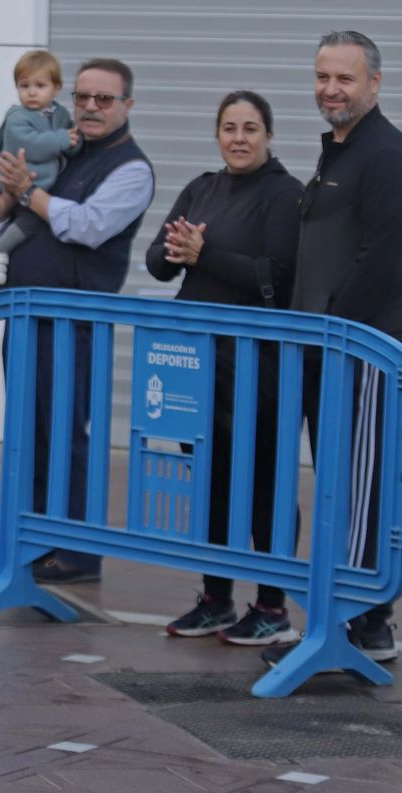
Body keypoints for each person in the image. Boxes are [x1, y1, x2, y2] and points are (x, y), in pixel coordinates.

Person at [265, 30, 402, 668]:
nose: (332, 88)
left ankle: (366, 623)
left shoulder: (386, 154)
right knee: (336, 487)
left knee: (362, 493)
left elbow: (380, 265)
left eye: (346, 78)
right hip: (326, 352)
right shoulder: (337, 149)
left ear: (375, 84)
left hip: (363, 354)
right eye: (323, 76)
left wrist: (331, 334)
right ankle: (340, 620)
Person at [0, 58, 154, 584]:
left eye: (104, 99)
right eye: (83, 96)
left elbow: (87, 227)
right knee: (26, 428)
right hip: (25, 311)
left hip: (74, 320)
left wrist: (28, 194)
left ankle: (77, 551)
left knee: (66, 432)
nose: (90, 107)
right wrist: (12, 193)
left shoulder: (132, 169)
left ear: (128, 105)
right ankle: (29, 537)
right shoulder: (58, 138)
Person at [146, 91, 304, 646]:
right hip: (197, 370)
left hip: (258, 373)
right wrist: (180, 250)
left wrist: (204, 255)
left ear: (269, 136)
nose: (239, 138)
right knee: (210, 484)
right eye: (229, 127)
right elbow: (157, 264)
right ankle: (215, 598)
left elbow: (278, 277)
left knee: (264, 487)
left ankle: (272, 607)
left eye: (251, 128)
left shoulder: (285, 195)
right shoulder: (202, 188)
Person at [0, 49, 78, 285]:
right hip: (19, 181)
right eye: (24, 86)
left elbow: (70, 140)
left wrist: (74, 143)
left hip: (40, 182)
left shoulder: (60, 113)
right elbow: (31, 145)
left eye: (40, 85)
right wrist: (63, 140)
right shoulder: (17, 116)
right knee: (31, 221)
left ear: (56, 87)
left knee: (36, 224)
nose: (32, 92)